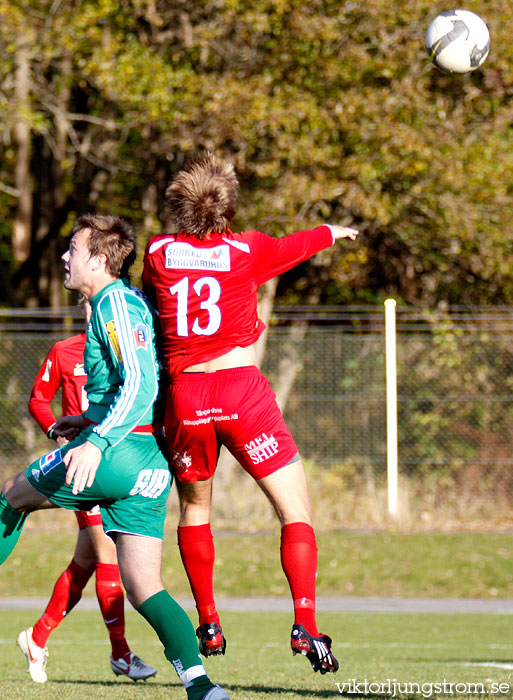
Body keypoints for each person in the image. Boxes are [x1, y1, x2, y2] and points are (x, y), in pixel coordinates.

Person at [0, 213, 230, 700]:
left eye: (74, 249)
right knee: (144, 586)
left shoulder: (114, 305)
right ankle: (201, 685)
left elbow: (143, 383)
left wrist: (97, 441)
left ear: (99, 261)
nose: (65, 257)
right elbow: (134, 384)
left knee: (12, 496)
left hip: (117, 451)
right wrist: (85, 421)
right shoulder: (127, 305)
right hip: (148, 462)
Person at [142, 153, 359, 674]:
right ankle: (305, 624)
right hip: (241, 391)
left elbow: (155, 299)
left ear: (178, 206)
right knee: (295, 513)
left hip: (186, 398)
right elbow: (295, 246)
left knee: (196, 510)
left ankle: (210, 620)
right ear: (229, 208)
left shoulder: (158, 253)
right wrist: (332, 230)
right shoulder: (247, 249)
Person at [16, 295, 156, 683]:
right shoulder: (64, 351)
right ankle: (120, 652)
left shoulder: (130, 351)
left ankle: (37, 638)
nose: (101, 312)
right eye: (93, 305)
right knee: (107, 551)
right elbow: (38, 398)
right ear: (84, 307)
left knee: (86, 563)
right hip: (83, 464)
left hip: (119, 463)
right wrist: (55, 432)